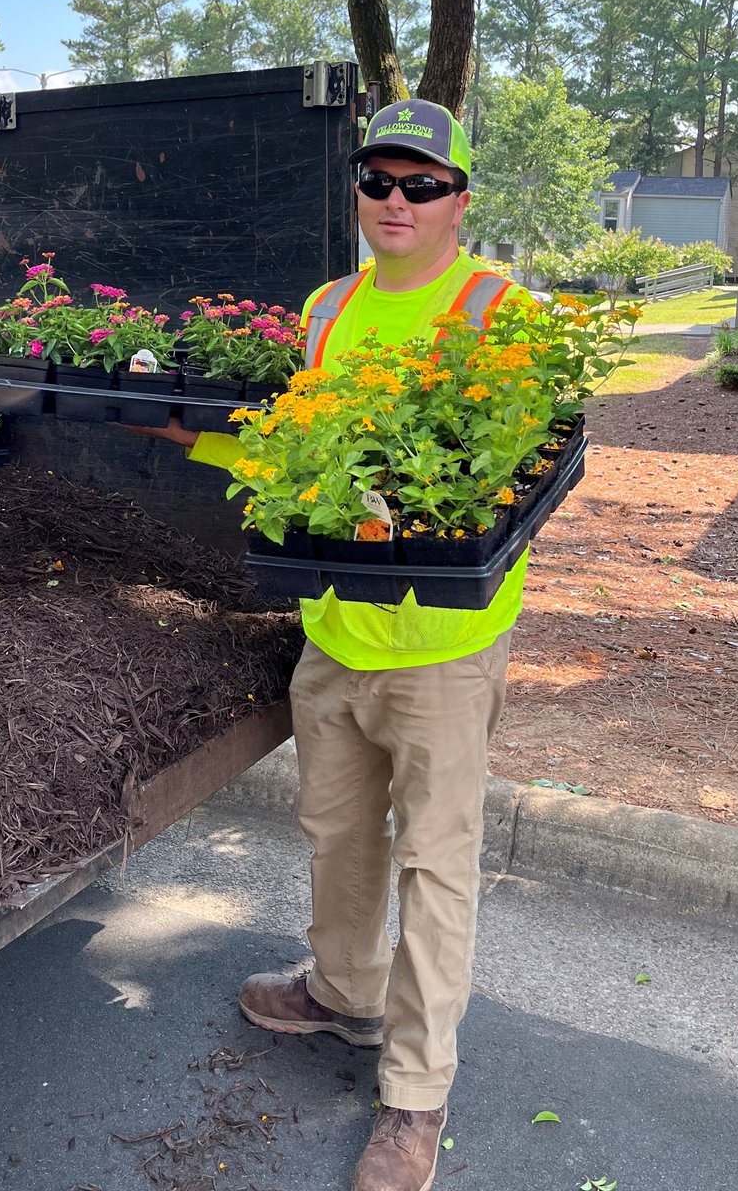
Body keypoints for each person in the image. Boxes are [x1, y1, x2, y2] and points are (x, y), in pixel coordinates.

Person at [131, 99, 531, 1191]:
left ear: (459, 198)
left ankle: (415, 1096)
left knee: (436, 864)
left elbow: (524, 468)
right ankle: (343, 995)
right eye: (379, 179)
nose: (396, 201)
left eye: (422, 183)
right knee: (336, 832)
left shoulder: (499, 311)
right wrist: (197, 433)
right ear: (357, 188)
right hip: (334, 627)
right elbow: (300, 448)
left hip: (443, 640)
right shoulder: (327, 308)